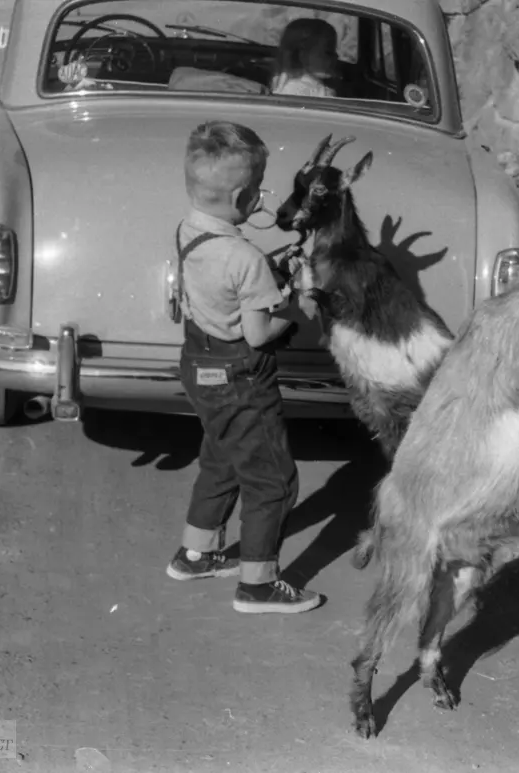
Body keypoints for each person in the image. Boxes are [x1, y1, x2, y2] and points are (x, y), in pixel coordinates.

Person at [165, 120, 322, 615]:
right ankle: (258, 584)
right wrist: (290, 310)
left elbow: (224, 284)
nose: (263, 199)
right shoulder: (247, 259)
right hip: (242, 377)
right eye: (259, 189)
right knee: (272, 480)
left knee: (222, 458)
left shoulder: (189, 230)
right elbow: (257, 333)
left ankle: (196, 553)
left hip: (200, 367)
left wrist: (270, 271)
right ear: (242, 196)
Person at [269, 18, 339, 98]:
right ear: (302, 55)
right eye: (328, 52)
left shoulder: (314, 86)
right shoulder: (296, 90)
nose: (336, 56)